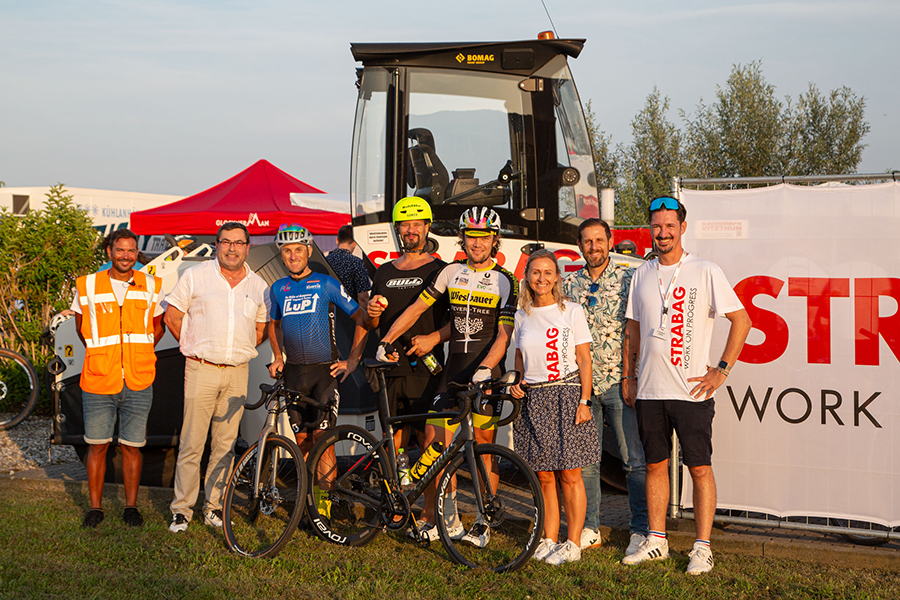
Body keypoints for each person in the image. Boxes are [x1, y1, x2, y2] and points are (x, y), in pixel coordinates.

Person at [622, 196, 751, 575]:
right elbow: (633, 329)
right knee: (656, 466)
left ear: (682, 227)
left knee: (699, 469)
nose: (662, 233)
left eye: (669, 226)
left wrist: (722, 370)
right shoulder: (641, 273)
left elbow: (741, 321)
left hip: (692, 391)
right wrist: (629, 376)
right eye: (656, 226)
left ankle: (702, 547)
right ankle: (656, 540)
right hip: (649, 390)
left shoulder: (705, 270)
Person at [377, 206, 518, 545]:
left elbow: (503, 335)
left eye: (484, 236)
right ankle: (448, 519)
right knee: (434, 444)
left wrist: (487, 368)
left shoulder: (505, 279)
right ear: (462, 238)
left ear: (494, 240)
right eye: (471, 236)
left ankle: (484, 521)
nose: (477, 242)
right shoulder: (450, 273)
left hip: (486, 373)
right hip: (452, 371)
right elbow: (416, 310)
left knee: (484, 450)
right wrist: (386, 340)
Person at [165, 222, 269, 533]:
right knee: (192, 443)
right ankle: (182, 510)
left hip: (238, 372)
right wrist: (191, 347)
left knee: (225, 445)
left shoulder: (259, 285)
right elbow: (172, 316)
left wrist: (240, 349)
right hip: (201, 368)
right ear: (217, 245)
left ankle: (213, 507)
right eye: (226, 242)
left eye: (239, 243)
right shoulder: (195, 276)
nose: (232, 248)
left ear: (247, 247)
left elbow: (261, 329)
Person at [267, 224, 370, 517]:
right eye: (287, 251)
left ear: (309, 251)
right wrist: (277, 355)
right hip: (294, 373)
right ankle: (306, 503)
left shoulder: (326, 284)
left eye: (298, 249)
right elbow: (272, 324)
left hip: (325, 372)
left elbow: (362, 318)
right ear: (282, 255)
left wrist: (353, 360)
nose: (293, 255)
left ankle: (324, 509)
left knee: (324, 442)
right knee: (301, 441)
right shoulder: (278, 288)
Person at [563, 218, 649, 555]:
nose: (593, 247)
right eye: (587, 241)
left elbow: (635, 328)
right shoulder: (570, 284)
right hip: (582, 387)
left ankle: (641, 529)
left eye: (599, 240)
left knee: (632, 459)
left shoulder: (629, 278)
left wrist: (631, 376)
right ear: (580, 245)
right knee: (588, 463)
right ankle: (590, 528)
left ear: (610, 241)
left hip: (618, 381)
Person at [509, 249, 599, 565]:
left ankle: (572, 542)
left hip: (567, 393)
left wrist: (585, 401)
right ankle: (549, 538)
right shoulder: (522, 314)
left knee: (570, 474)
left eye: (548, 272)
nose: (542, 278)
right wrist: (517, 381)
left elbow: (585, 358)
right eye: (536, 272)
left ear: (557, 277)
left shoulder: (571, 311)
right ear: (528, 276)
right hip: (534, 398)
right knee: (543, 474)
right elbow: (520, 357)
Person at [72, 228, 165, 528]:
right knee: (97, 445)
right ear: (109, 252)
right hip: (99, 378)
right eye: (120, 250)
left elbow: (158, 327)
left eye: (131, 250)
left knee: (132, 446)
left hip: (138, 377)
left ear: (137, 253)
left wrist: (136, 353)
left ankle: (130, 507)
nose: (126, 255)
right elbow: (82, 328)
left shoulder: (151, 284)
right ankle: (95, 508)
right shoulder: (87, 285)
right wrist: (106, 355)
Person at [366, 197, 449, 462]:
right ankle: (398, 496)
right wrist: (373, 314)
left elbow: (457, 323)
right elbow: (373, 325)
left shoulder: (442, 270)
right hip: (389, 368)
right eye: (404, 225)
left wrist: (434, 338)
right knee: (393, 441)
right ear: (397, 229)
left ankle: (431, 503)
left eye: (416, 224)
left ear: (427, 227)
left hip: (426, 368)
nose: (410, 230)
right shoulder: (383, 271)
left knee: (431, 444)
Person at [325, 224, 371, 306]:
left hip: (330, 312)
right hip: (351, 312)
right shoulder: (356, 262)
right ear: (355, 243)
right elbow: (363, 298)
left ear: (337, 240)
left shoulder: (325, 261)